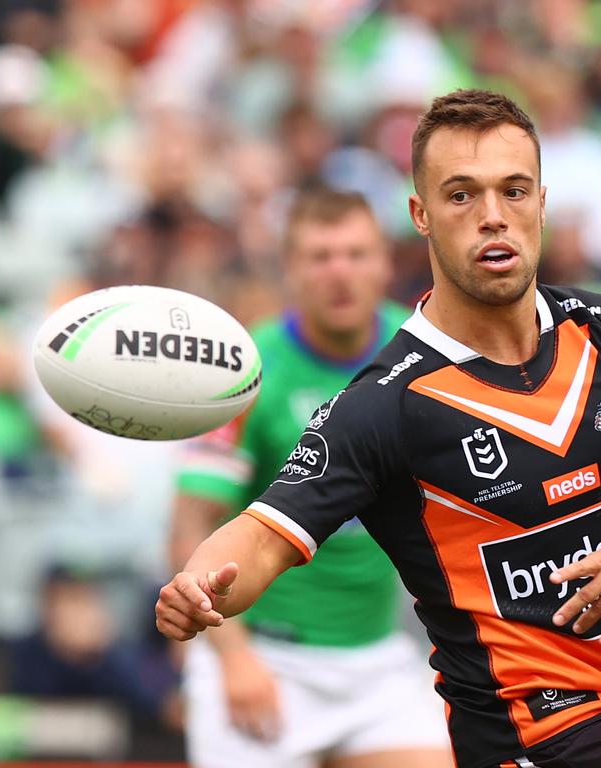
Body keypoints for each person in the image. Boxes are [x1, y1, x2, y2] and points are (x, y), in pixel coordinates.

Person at [156, 89, 601, 768]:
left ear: (543, 203)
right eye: (462, 195)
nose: (493, 217)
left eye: (515, 190)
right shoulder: (384, 402)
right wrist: (200, 586)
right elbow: (261, 538)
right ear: (422, 215)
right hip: (535, 736)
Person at [168, 187, 452, 768]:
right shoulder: (242, 372)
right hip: (264, 657)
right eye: (321, 257)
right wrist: (233, 659)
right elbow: (189, 527)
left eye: (355, 254)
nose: (340, 273)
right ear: (291, 269)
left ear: (384, 263)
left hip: (378, 662)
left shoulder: (428, 353)